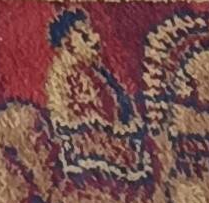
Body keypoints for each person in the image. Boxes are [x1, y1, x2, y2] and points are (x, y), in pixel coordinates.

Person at [43, 10, 146, 189]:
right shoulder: (73, 78)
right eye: (84, 35)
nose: (96, 38)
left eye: (90, 32)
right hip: (100, 156)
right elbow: (96, 124)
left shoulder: (93, 73)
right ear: (68, 45)